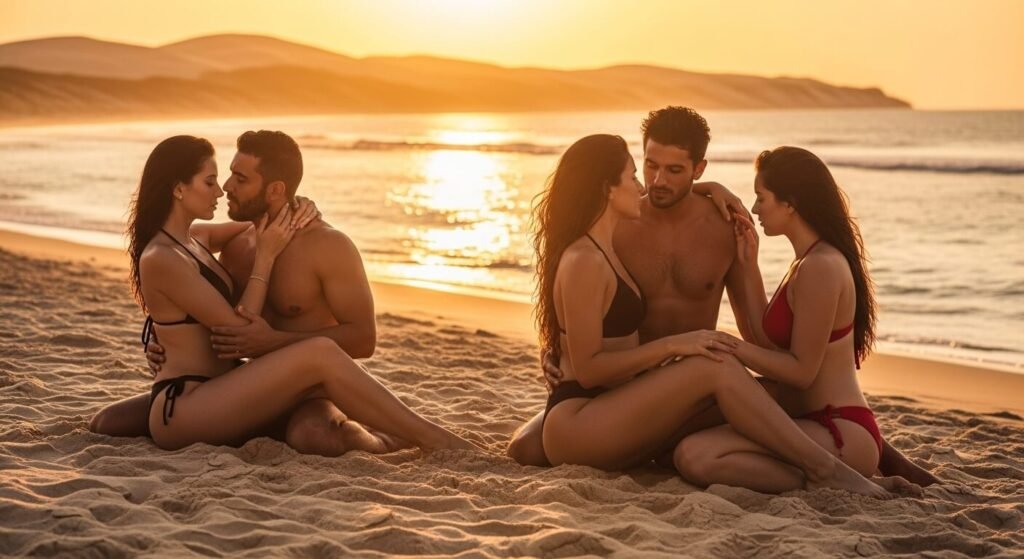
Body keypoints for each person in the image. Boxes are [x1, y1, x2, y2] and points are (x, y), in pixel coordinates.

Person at [507, 106, 938, 487]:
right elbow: (578, 301)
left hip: (692, 384)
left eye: (675, 171)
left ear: (699, 167)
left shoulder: (723, 229)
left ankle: (872, 449)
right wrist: (554, 347)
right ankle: (851, 456)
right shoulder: (619, 220)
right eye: (648, 166)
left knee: (773, 392)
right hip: (621, 389)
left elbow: (761, 338)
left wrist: (744, 260)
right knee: (523, 449)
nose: (655, 182)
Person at [119, 134, 474, 452]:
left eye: (238, 179)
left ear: (275, 190)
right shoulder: (228, 247)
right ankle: (431, 439)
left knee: (312, 434)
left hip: (264, 389)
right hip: (213, 396)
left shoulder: (320, 245)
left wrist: (295, 207)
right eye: (216, 179)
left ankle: (392, 437)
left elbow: (364, 340)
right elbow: (221, 321)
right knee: (319, 357)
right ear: (179, 188)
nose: (225, 188)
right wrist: (163, 337)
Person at [674, 146, 892, 492]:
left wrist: (730, 346)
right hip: (807, 424)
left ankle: (837, 480)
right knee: (692, 449)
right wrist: (748, 264)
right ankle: (830, 479)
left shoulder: (820, 266)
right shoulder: (805, 262)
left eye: (762, 198)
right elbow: (765, 340)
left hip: (838, 430)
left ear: (789, 203)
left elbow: (801, 372)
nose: (756, 209)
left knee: (696, 456)